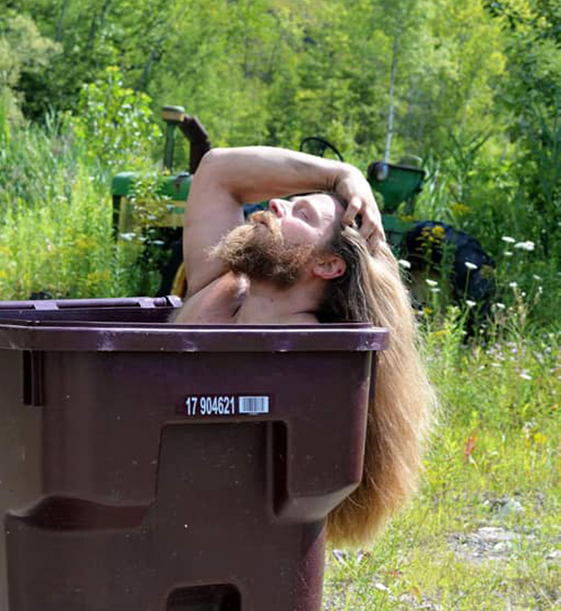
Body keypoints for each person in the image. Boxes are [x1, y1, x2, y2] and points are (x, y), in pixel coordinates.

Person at [173, 146, 435, 547]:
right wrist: (339, 174)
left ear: (328, 265)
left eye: (303, 215)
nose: (277, 204)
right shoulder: (216, 287)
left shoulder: (324, 365)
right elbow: (217, 170)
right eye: (290, 204)